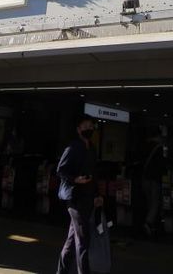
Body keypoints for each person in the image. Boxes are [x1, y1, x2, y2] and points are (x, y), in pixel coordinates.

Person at [56, 114, 101, 274]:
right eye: (85, 126)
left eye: (91, 126)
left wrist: (97, 194)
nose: (89, 128)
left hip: (88, 197)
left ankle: (61, 271)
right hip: (75, 198)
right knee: (83, 239)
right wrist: (76, 179)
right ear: (78, 129)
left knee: (72, 239)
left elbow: (94, 173)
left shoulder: (93, 148)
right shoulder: (73, 147)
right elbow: (61, 170)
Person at [141, 135, 166, 236]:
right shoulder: (160, 149)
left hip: (145, 177)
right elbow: (162, 164)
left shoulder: (146, 147)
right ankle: (149, 222)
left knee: (149, 201)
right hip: (155, 178)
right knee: (155, 201)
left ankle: (151, 223)